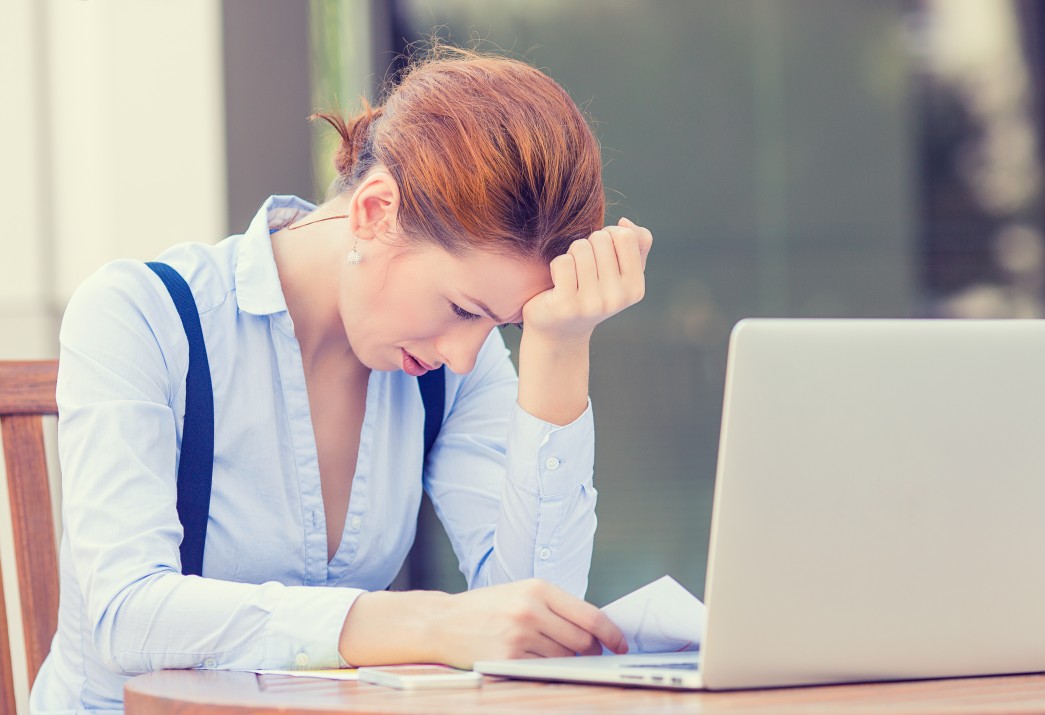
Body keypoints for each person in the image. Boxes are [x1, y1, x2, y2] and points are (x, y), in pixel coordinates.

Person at [30, 45, 651, 713]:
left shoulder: (448, 363)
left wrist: (558, 346)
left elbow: (535, 623)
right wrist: (426, 624)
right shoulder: (142, 316)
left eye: (500, 324)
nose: (468, 354)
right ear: (375, 211)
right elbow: (127, 613)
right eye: (462, 308)